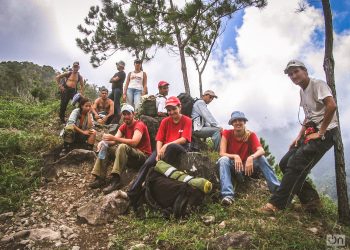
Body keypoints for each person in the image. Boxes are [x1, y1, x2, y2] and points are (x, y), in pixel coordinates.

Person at [261, 60, 338, 214]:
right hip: (311, 131)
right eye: (290, 74)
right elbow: (308, 116)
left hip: (326, 132)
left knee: (296, 164)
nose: (294, 76)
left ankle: (277, 205)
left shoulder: (318, 84)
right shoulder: (302, 91)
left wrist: (321, 132)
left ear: (305, 71)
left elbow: (331, 105)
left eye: (296, 71)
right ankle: (311, 202)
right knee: (284, 163)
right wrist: (298, 136)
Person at [127, 96, 192, 206]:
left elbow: (184, 139)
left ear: (180, 107)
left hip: (179, 148)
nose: (171, 112)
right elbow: (159, 139)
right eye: (169, 110)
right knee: (148, 163)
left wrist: (166, 145)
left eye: (173, 109)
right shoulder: (165, 121)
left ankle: (151, 181)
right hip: (164, 149)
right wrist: (158, 152)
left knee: (170, 149)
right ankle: (132, 192)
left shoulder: (187, 120)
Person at [218, 111, 280, 206]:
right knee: (223, 160)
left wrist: (251, 157)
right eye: (235, 121)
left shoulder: (251, 135)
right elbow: (222, 153)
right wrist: (235, 156)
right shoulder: (226, 133)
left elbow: (261, 150)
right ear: (232, 123)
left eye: (240, 120)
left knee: (261, 158)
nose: (238, 122)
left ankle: (278, 192)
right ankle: (228, 195)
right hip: (233, 166)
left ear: (244, 122)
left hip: (247, 167)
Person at [89, 104, 152, 194]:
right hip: (131, 155)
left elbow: (134, 142)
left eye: (128, 114)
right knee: (105, 146)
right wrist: (103, 142)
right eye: (124, 114)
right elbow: (113, 141)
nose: (126, 116)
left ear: (133, 114)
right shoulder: (123, 126)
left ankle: (116, 179)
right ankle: (100, 177)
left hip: (142, 157)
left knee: (122, 146)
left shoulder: (139, 125)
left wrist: (114, 138)